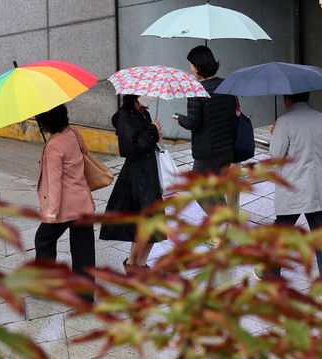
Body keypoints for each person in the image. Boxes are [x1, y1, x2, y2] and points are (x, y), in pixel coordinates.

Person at [264, 92, 322, 278]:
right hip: (318, 186)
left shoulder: (284, 122)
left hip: (294, 187)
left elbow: (277, 156)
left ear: (287, 99)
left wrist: (275, 134)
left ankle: (271, 275)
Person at [34, 104, 96, 302]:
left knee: (43, 240)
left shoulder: (54, 146)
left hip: (64, 207)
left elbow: (54, 183)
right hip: (83, 203)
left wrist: (51, 213)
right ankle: (85, 295)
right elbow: (84, 155)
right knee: (83, 249)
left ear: (45, 123)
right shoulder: (74, 134)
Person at [99, 94, 163, 270]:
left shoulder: (144, 114)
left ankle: (137, 263)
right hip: (137, 176)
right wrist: (152, 131)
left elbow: (147, 140)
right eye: (146, 96)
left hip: (149, 172)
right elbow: (130, 148)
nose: (149, 99)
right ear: (135, 97)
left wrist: (156, 135)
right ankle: (134, 264)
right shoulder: (124, 117)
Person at [174, 45, 238, 214]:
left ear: (198, 67)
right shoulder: (227, 85)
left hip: (207, 153)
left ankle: (223, 224)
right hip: (227, 148)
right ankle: (226, 227)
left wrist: (180, 119)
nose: (190, 68)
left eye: (191, 65)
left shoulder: (197, 91)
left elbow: (193, 123)